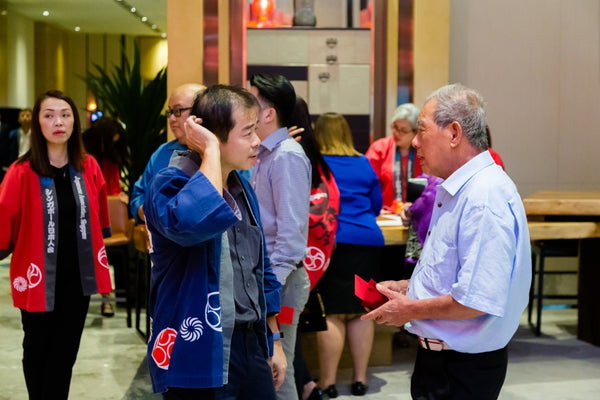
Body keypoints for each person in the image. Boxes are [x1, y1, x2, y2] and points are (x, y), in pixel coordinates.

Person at [362, 83, 532, 400]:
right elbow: (454, 272)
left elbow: (476, 300)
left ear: (454, 133)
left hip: (461, 366)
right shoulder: (460, 188)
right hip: (443, 359)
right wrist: (408, 287)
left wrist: (409, 309)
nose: (414, 142)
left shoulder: (483, 196)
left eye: (421, 130)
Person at [144, 84, 285, 399]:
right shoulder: (169, 182)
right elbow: (193, 222)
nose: (257, 142)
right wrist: (209, 151)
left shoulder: (241, 186)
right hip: (197, 345)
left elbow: (260, 269)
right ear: (210, 136)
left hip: (250, 343)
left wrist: (275, 340)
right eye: (248, 132)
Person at [0, 90, 112, 399]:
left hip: (77, 278)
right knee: (36, 349)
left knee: (65, 354)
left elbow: (100, 217)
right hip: (36, 277)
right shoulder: (20, 173)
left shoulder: (89, 168)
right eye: (48, 115)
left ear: (75, 122)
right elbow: (3, 221)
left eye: (65, 114)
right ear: (37, 123)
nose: (58, 121)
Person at [249, 73, 312, 400]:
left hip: (281, 281)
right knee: (270, 362)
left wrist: (268, 287)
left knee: (279, 366)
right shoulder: (263, 153)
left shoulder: (286, 155)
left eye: (251, 102)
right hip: (270, 277)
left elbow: (290, 235)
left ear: (268, 113)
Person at [313, 112, 384, 397]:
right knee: (360, 311)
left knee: (331, 312)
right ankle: (359, 380)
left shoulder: (317, 164)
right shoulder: (365, 163)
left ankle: (327, 383)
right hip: (367, 243)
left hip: (332, 243)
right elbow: (377, 205)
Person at [290, 97, 340, 400]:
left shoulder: (290, 154)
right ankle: (307, 385)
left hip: (290, 260)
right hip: (315, 257)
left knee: (283, 332)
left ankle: (306, 387)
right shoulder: (317, 158)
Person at [129, 82, 206, 223]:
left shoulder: (218, 153)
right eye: (170, 112)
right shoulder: (162, 153)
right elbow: (138, 194)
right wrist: (147, 214)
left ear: (200, 112)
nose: (171, 119)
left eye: (177, 111)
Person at [82, 116, 130, 316]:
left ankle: (107, 300)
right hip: (84, 213)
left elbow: (113, 184)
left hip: (104, 215)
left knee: (105, 254)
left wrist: (118, 195)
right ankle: (104, 299)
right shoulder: (83, 151)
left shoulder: (110, 159)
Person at [366, 103, 421, 209]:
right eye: (395, 127)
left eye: (404, 130)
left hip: (417, 213)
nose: (397, 133)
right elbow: (367, 183)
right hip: (385, 214)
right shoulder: (379, 148)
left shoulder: (423, 150)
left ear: (416, 132)